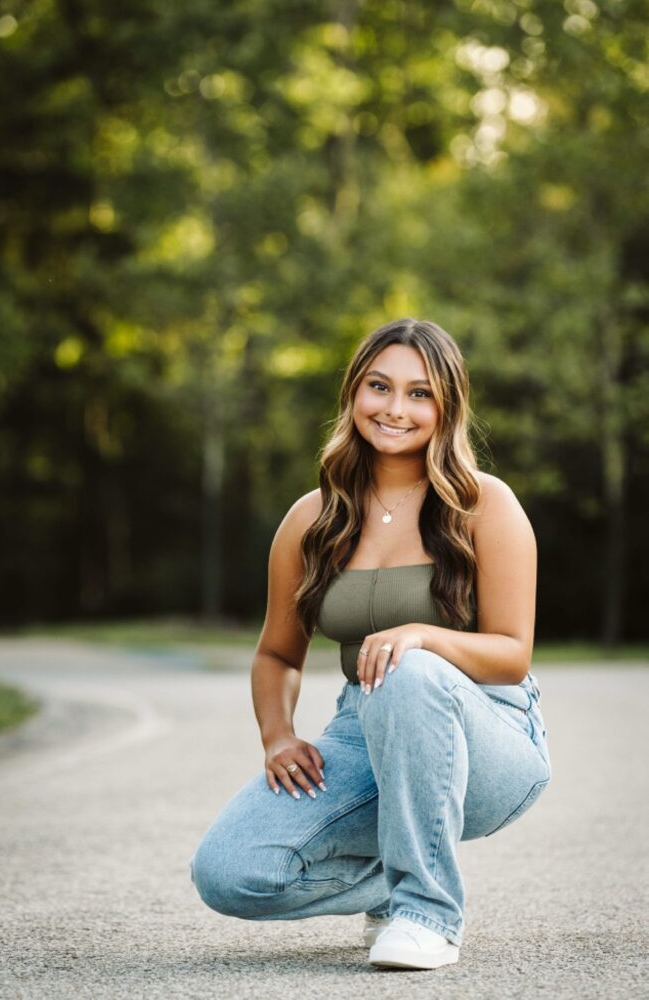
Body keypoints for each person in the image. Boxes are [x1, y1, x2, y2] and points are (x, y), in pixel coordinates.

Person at [189, 317, 552, 970]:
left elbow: (511, 654)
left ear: (446, 407)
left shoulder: (483, 505)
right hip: (364, 730)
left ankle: (428, 915)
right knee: (229, 871)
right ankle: (397, 875)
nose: (393, 408)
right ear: (354, 392)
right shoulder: (313, 519)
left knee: (408, 670)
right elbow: (276, 653)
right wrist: (278, 735)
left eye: (419, 393)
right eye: (378, 386)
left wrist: (420, 636)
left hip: (488, 734)